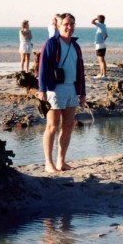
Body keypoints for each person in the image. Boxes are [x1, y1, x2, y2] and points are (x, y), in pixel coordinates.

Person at [37, 13, 86, 173]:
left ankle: (61, 161)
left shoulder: (75, 45)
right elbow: (43, 67)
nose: (69, 27)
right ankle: (48, 163)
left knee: (68, 125)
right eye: (66, 24)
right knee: (52, 126)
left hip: (71, 88)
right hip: (54, 89)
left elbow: (80, 70)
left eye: (72, 23)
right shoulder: (52, 43)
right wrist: (42, 89)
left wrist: (82, 92)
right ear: (58, 25)